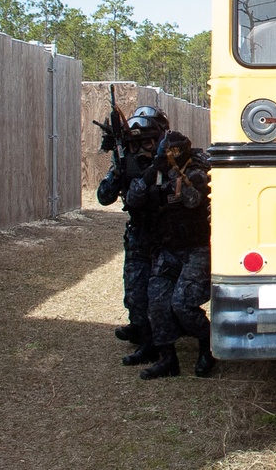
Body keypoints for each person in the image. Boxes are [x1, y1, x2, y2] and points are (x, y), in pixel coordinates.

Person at [126, 130, 216, 379]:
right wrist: (150, 173)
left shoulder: (196, 174)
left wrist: (175, 175)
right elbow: (134, 199)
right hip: (168, 250)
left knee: (182, 304)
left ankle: (207, 346)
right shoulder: (155, 174)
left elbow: (191, 200)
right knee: (157, 303)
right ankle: (168, 360)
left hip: (195, 250)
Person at [96, 105, 170, 366]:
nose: (142, 149)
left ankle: (163, 343)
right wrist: (118, 173)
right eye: (137, 143)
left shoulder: (171, 160)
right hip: (139, 235)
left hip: (167, 237)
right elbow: (103, 197)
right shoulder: (125, 162)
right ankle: (145, 340)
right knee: (136, 296)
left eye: (148, 142)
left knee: (161, 297)